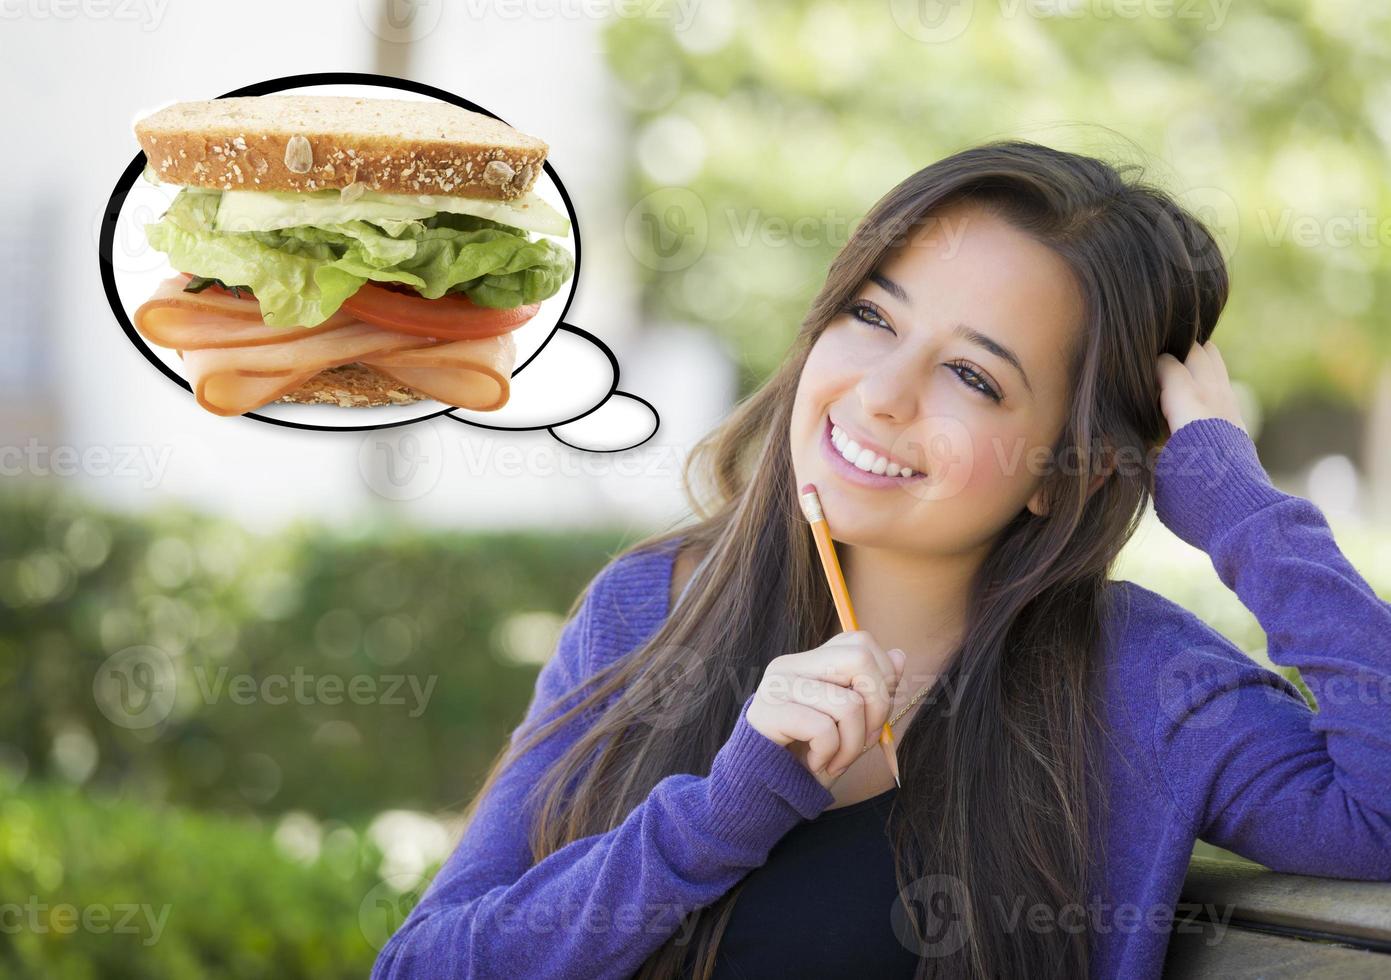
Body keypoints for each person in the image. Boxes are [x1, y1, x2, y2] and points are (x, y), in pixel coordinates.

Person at [371, 139, 1391, 980]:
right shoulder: (648, 608)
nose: (880, 392)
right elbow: (421, 966)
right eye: (871, 315)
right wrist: (720, 813)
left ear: (1061, 467)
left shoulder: (1135, 681)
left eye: (969, 374)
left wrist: (1235, 504)